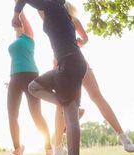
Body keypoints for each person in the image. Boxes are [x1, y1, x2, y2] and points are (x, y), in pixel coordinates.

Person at [53, 1, 134, 154]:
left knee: (96, 95)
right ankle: (58, 148)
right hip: (60, 63)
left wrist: (79, 43)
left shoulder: (73, 21)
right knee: (59, 106)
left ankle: (122, 136)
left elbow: (85, 37)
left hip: (78, 61)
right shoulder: (51, 20)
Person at [12, 0, 87, 155]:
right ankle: (69, 105)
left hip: (70, 63)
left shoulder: (53, 7)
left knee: (70, 115)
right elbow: (38, 11)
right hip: (66, 64)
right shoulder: (56, 12)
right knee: (34, 87)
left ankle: (70, 108)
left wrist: (15, 14)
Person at [7, 6, 52, 155]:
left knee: (36, 114)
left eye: (19, 23)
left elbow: (23, 17)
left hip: (30, 76)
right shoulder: (14, 42)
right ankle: (17, 149)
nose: (17, 25)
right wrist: (11, 80)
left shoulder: (29, 37)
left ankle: (48, 149)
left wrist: (18, 8)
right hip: (14, 78)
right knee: (12, 114)